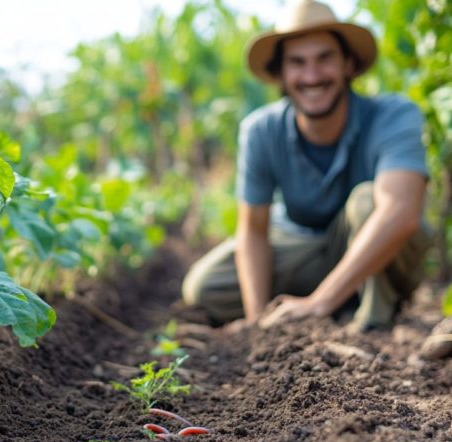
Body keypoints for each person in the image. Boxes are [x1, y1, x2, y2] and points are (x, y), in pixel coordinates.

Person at [181, 0, 432, 332]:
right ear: (281, 74)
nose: (311, 75)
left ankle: (371, 322)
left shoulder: (393, 115)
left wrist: (319, 302)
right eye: (297, 63)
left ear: (349, 64)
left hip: (380, 256)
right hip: (306, 248)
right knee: (204, 286)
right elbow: (253, 231)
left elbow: (400, 213)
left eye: (324, 58)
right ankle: (334, 299)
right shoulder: (261, 131)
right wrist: (258, 322)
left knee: (369, 201)